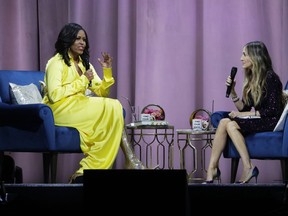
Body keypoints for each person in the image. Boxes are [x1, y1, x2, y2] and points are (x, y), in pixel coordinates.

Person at [42, 22, 145, 183]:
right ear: (67, 40)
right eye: (77, 39)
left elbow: (102, 92)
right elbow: (55, 95)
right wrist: (83, 81)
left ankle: (89, 170)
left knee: (115, 106)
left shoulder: (84, 63)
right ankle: (130, 159)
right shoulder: (56, 62)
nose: (82, 42)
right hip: (58, 109)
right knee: (112, 107)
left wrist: (107, 70)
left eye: (84, 39)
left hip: (78, 105)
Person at [204, 41, 284, 184]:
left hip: (271, 121)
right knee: (225, 122)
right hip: (261, 119)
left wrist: (241, 116)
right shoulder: (253, 78)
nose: (241, 58)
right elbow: (244, 108)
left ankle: (242, 167)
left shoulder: (271, 77)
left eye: (244, 54)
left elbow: (273, 111)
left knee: (230, 125)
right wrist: (233, 91)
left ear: (255, 57)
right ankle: (214, 168)